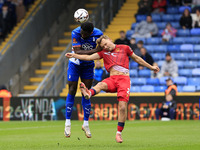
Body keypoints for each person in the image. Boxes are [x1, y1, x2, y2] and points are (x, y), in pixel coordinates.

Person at [65, 35, 160, 143]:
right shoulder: (103, 53)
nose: (105, 46)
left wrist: (151, 67)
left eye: (106, 44)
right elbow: (88, 57)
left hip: (124, 80)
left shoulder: (125, 48)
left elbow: (137, 58)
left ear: (110, 39)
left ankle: (118, 133)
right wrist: (74, 55)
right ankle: (88, 93)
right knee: (101, 85)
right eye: (103, 46)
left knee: (123, 107)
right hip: (112, 79)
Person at [64, 22, 103, 138]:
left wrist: (92, 53)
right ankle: (67, 123)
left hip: (88, 65)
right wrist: (93, 51)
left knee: (86, 92)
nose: (82, 35)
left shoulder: (99, 34)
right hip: (74, 64)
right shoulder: (75, 32)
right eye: (81, 32)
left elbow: (100, 50)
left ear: (91, 33)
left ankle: (86, 124)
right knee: (71, 89)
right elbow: (77, 52)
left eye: (84, 34)